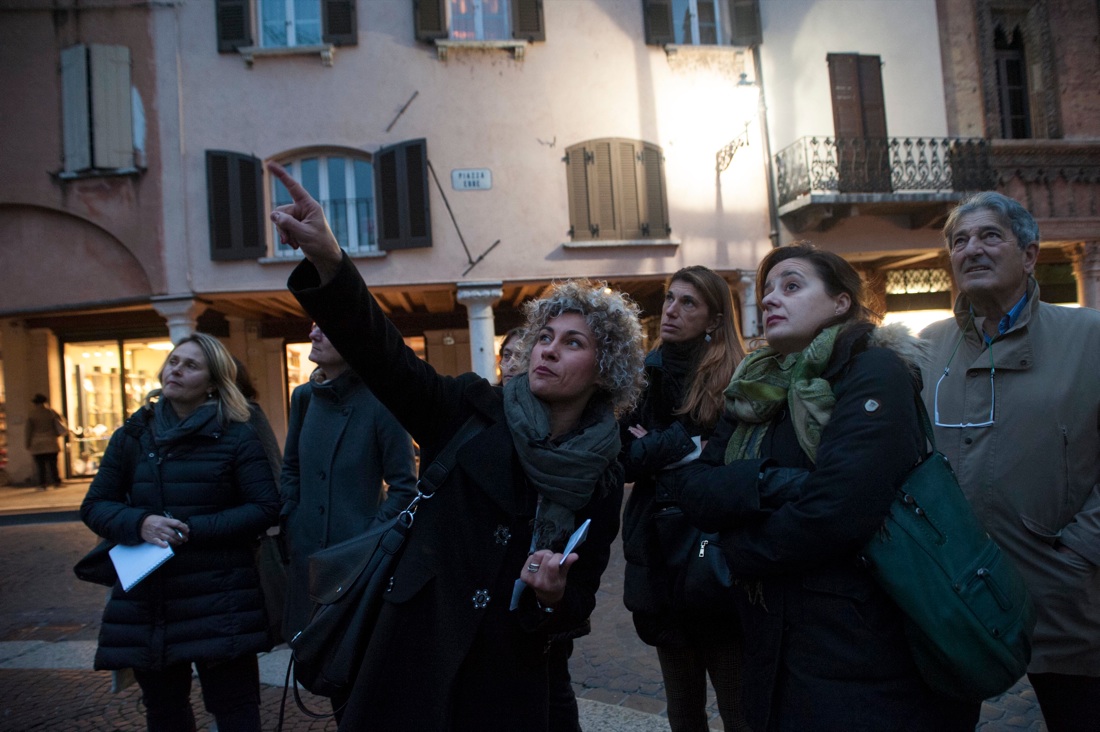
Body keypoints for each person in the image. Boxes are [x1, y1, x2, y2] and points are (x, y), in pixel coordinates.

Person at [269, 161, 646, 731]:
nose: (547, 350)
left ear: (605, 369)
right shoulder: (470, 411)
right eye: (544, 336)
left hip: (509, 681)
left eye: (572, 343)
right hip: (411, 660)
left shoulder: (602, 471)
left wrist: (551, 597)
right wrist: (329, 259)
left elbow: (579, 599)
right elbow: (383, 354)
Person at [669, 243, 981, 731]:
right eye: (767, 289)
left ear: (841, 303)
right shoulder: (754, 387)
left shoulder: (874, 371)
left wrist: (733, 549)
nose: (771, 299)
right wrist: (773, 483)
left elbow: (838, 510)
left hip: (862, 649)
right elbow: (693, 488)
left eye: (791, 286)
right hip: (773, 638)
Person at [921, 192, 1100, 732]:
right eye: (960, 240)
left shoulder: (1089, 338)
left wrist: (1079, 551)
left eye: (989, 236)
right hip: (955, 606)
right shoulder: (928, 348)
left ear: (1028, 255)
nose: (971, 249)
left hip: (1066, 603)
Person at [80, 333, 280, 732]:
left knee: (236, 709)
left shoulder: (237, 435)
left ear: (213, 382)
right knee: (164, 711)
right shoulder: (132, 436)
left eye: (191, 365)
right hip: (149, 600)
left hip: (220, 597)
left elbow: (264, 508)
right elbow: (95, 506)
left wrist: (190, 530)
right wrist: (140, 523)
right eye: (173, 361)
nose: (176, 369)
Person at [620, 266, 748, 731]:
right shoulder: (644, 374)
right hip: (657, 549)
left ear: (714, 318)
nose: (672, 310)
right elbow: (626, 458)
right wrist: (686, 442)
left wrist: (657, 444)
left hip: (716, 551)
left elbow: (728, 461)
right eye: (670, 299)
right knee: (682, 708)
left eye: (687, 303)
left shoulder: (737, 376)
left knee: (739, 706)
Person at [280, 320, 418, 717]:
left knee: (356, 683)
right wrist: (294, 520)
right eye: (312, 327)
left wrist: (366, 545)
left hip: (356, 570)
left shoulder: (381, 400)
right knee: (319, 666)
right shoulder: (304, 397)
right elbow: (291, 470)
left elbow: (405, 488)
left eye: (325, 328)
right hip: (309, 561)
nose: (313, 335)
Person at [25, 393, 64, 489]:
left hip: (37, 443)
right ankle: (56, 481)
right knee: (53, 464)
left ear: (35, 403)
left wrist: (27, 443)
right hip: (51, 441)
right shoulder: (51, 412)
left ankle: (43, 484)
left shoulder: (32, 414)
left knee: (40, 466)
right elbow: (60, 425)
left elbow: (28, 430)